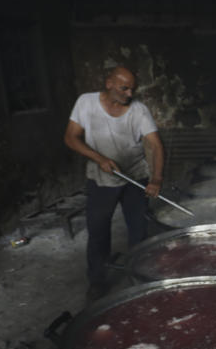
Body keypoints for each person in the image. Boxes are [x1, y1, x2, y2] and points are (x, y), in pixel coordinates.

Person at [64, 66, 164, 297]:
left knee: (139, 230)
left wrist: (157, 178)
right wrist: (99, 158)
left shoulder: (139, 110)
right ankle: (97, 281)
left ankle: (140, 275)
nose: (130, 93)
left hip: (135, 177)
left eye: (132, 89)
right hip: (101, 179)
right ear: (109, 83)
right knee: (98, 231)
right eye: (124, 88)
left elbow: (156, 145)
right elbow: (70, 137)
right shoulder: (86, 103)